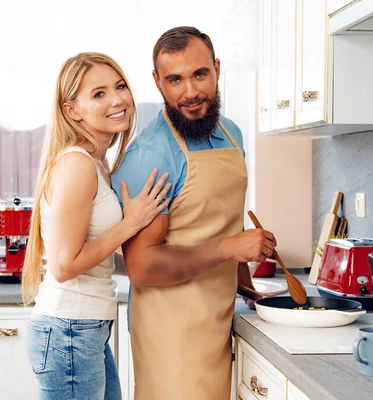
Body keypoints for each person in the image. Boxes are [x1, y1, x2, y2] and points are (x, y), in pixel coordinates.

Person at [111, 27, 277, 399]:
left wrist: (247, 287)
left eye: (200, 74)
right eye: (175, 79)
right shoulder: (150, 156)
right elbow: (142, 266)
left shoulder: (231, 133)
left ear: (217, 69)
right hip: (170, 333)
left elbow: (224, 219)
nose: (190, 92)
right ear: (157, 83)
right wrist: (231, 248)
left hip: (219, 319)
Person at [22, 52, 171, 400]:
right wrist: (131, 222)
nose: (118, 99)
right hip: (69, 329)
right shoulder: (78, 165)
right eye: (99, 93)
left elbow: (96, 255)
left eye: (120, 87)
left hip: (85, 327)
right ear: (72, 109)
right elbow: (64, 266)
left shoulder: (98, 163)